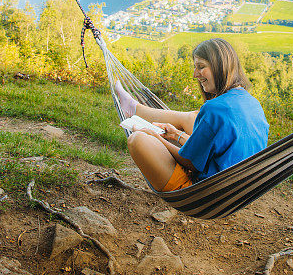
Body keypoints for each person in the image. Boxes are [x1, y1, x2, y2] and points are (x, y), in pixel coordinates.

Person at [114, 38, 269, 192]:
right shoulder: (253, 104)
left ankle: (134, 109)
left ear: (220, 66)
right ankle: (135, 108)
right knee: (193, 117)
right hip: (238, 191)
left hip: (205, 193)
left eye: (201, 67)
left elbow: (192, 163)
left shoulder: (214, 109)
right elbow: (216, 154)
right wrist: (176, 135)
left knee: (137, 139)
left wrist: (157, 139)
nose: (195, 74)